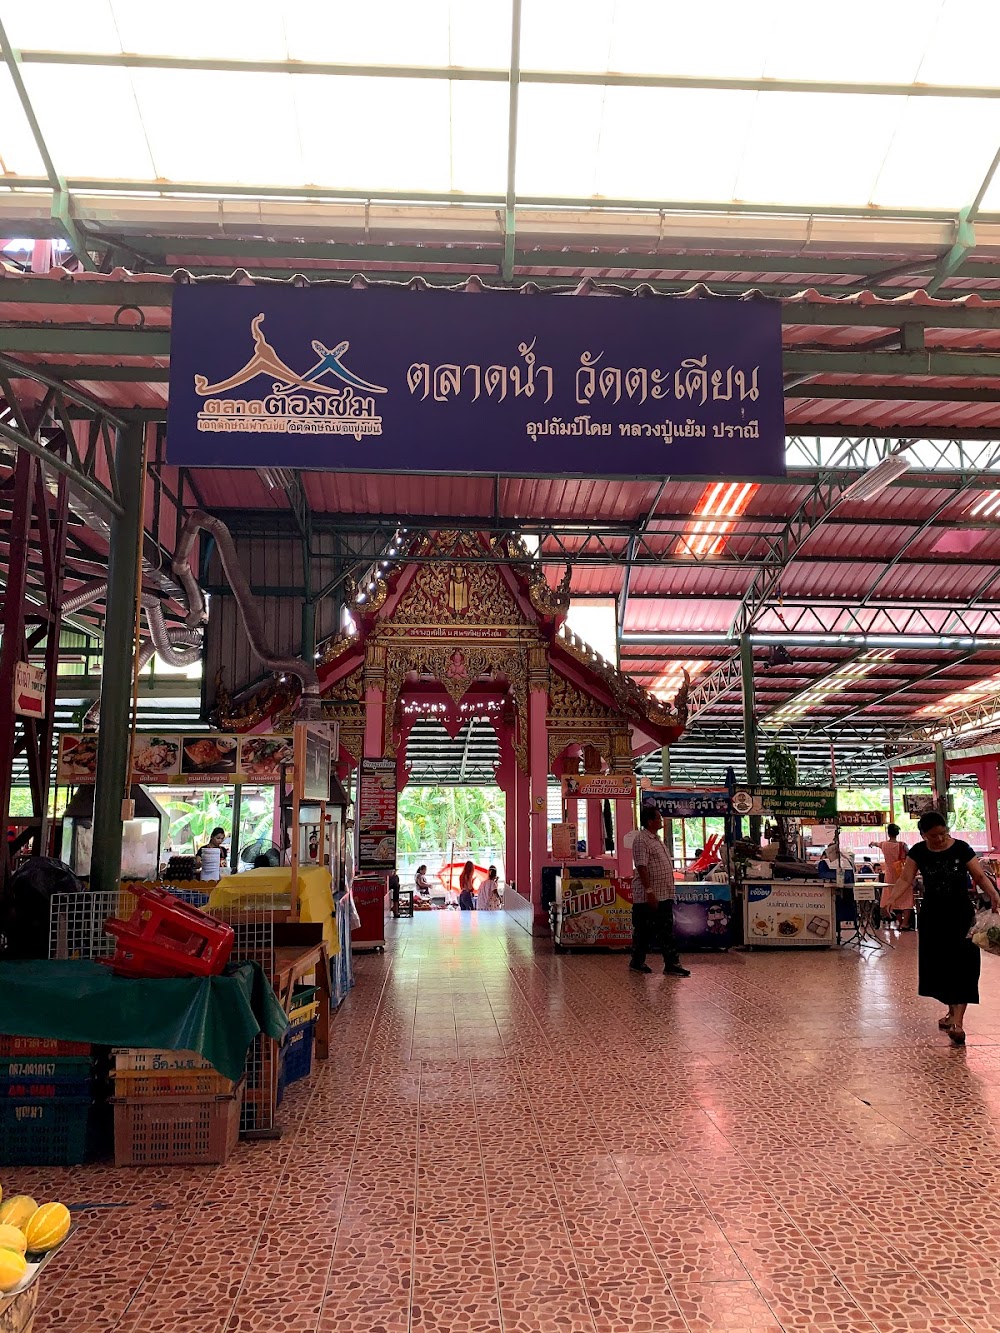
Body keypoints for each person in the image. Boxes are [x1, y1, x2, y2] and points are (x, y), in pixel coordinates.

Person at [891, 811, 1000, 1045]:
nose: (939, 839)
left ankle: (958, 1023)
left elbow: (979, 876)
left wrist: (993, 893)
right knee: (940, 967)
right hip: (932, 918)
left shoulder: (961, 848)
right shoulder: (918, 852)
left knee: (964, 965)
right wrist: (891, 899)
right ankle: (951, 1013)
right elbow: (905, 879)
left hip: (961, 916)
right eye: (933, 836)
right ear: (922, 835)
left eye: (942, 834)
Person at [629, 804, 690, 977]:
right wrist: (649, 891)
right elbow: (641, 867)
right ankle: (644, 961)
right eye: (658, 818)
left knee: (663, 929)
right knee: (646, 930)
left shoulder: (655, 839)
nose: (661, 820)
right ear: (650, 821)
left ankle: (667, 962)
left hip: (663, 893)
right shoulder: (642, 840)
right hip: (650, 896)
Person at [872, 823, 912, 930]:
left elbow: (876, 844)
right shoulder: (903, 845)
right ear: (897, 833)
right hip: (902, 873)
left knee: (894, 898)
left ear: (888, 833)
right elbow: (910, 856)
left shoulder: (884, 844)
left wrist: (872, 843)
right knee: (907, 898)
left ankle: (900, 922)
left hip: (889, 875)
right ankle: (905, 923)